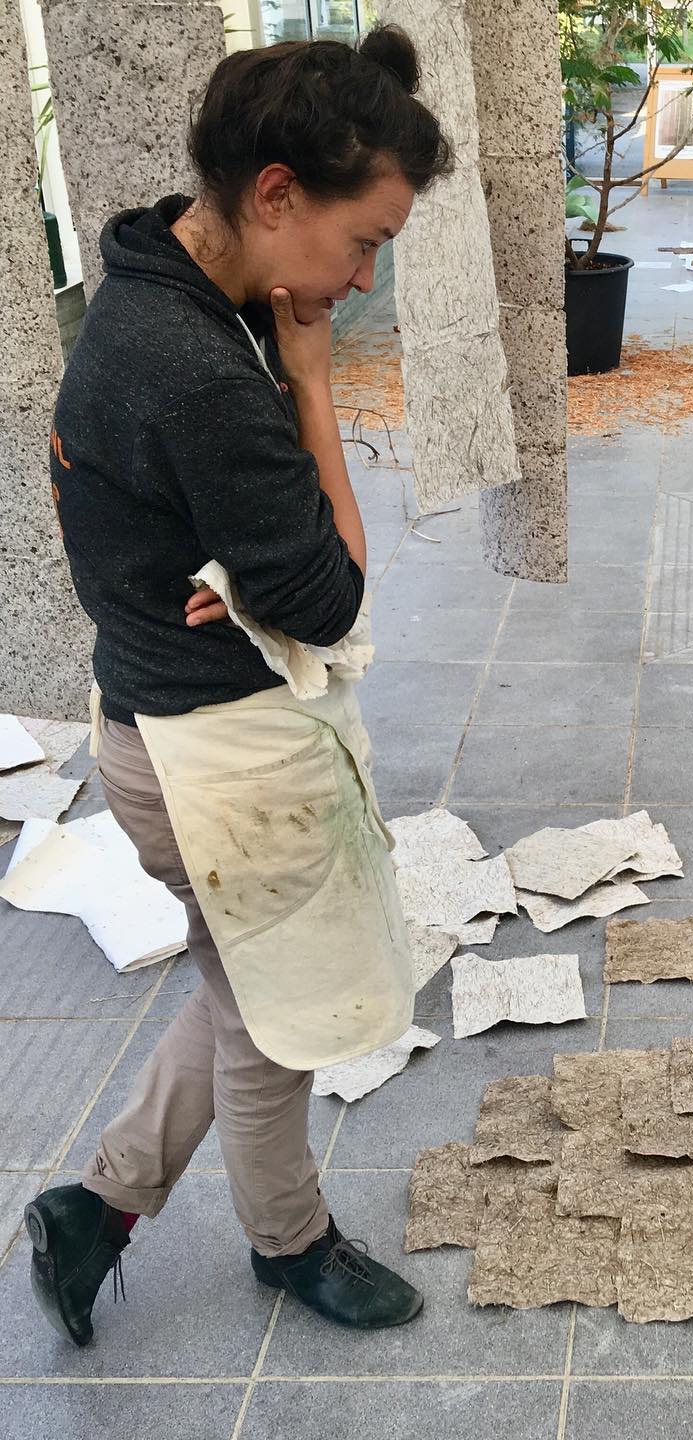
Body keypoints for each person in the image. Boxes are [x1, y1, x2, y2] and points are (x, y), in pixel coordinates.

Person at [25, 25, 452, 1346]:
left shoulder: (161, 279)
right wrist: (313, 384)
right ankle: (289, 1243)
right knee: (273, 1018)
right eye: (364, 240)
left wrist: (247, 558)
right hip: (208, 759)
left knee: (238, 984)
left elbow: (256, 555)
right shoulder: (203, 367)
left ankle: (95, 1207)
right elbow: (334, 592)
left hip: (162, 719)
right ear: (276, 193)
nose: (363, 277)